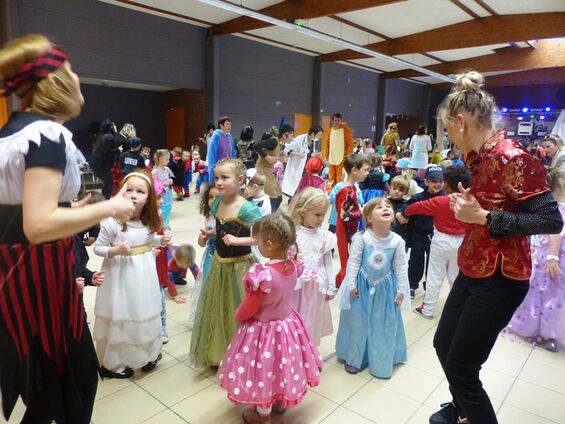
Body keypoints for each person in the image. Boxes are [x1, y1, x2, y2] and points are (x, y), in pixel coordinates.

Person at [0, 34, 135, 423]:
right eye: (71, 70)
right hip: (39, 283)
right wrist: (109, 205)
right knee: (71, 386)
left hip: (28, 280)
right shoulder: (48, 135)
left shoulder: (14, 132)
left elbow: (24, 209)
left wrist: (83, 208)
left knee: (52, 388)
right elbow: (38, 224)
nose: (78, 79)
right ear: (56, 82)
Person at [430, 70, 563, 424]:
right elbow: (490, 208)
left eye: (448, 131)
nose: (450, 140)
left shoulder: (512, 157)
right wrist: (471, 213)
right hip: (473, 267)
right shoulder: (479, 158)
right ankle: (461, 409)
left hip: (501, 279)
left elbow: (551, 220)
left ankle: (469, 411)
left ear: (461, 121)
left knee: (462, 367)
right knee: (443, 345)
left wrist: (487, 218)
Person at [217, 214, 322, 424]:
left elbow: (250, 307)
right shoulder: (293, 265)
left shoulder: (262, 274)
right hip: (287, 326)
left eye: (258, 242)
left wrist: (239, 315)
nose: (257, 246)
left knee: (263, 369)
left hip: (262, 331)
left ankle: (262, 415)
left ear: (269, 244)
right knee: (281, 365)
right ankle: (281, 400)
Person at [93, 170, 171, 378]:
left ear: (149, 199)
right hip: (119, 275)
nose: (134, 195)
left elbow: (147, 240)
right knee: (123, 313)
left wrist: (160, 241)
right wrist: (115, 250)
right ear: (120, 193)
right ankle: (113, 363)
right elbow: (98, 248)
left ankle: (149, 353)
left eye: (140, 191)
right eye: (129, 190)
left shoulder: (150, 220)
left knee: (143, 310)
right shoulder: (112, 222)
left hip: (144, 274)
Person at [190, 158, 262, 367]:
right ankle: (221, 351)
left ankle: (243, 353)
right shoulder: (216, 202)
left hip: (240, 266)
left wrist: (239, 240)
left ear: (240, 180)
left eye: (225, 178)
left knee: (239, 309)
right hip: (220, 264)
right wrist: (209, 235)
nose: (219, 182)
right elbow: (220, 229)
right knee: (219, 309)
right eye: (217, 177)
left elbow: (262, 237)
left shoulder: (246, 209)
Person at [335, 198, 410, 378]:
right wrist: (351, 283)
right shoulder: (362, 237)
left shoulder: (397, 241)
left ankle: (381, 361)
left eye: (388, 207)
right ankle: (354, 357)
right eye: (379, 207)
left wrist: (401, 290)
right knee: (358, 322)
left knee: (382, 324)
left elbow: (401, 267)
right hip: (361, 288)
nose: (385, 209)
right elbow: (353, 261)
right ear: (368, 218)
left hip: (385, 291)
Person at [506, 168, 565, 352]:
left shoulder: (548, 208)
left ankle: (540, 330)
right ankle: (543, 332)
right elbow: (553, 234)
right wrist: (552, 257)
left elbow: (552, 234)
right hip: (549, 257)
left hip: (545, 257)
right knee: (547, 296)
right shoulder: (556, 208)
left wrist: (551, 257)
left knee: (541, 295)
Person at [400, 166, 471, 319]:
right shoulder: (471, 202)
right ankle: (456, 312)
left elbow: (413, 208)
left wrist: (404, 213)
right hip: (462, 242)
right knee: (455, 277)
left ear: (446, 184)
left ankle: (428, 309)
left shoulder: (439, 201)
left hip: (441, 241)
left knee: (434, 276)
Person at [290, 188, 337, 345]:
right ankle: (294, 350)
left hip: (317, 287)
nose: (321, 219)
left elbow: (328, 262)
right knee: (295, 320)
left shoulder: (325, 237)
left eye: (323, 214)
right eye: (317, 215)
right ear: (303, 212)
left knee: (312, 320)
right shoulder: (293, 235)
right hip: (296, 288)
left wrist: (331, 286)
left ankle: (309, 351)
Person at [404, 165, 445, 299]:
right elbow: (406, 211)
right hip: (419, 235)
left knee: (434, 265)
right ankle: (411, 285)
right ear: (426, 181)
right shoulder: (417, 198)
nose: (437, 184)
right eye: (433, 181)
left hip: (438, 236)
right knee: (416, 261)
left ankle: (430, 288)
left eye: (440, 181)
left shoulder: (447, 198)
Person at [335, 154, 371, 286]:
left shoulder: (351, 188)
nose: (367, 173)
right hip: (345, 230)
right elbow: (344, 215)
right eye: (365, 170)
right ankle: (343, 283)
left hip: (349, 229)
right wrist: (361, 212)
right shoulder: (347, 190)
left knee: (350, 259)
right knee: (348, 261)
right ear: (354, 170)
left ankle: (340, 282)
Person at [189, 184, 219, 328]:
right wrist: (202, 241)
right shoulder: (209, 217)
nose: (213, 200)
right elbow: (203, 242)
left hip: (224, 257)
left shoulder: (230, 216)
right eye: (210, 197)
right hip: (210, 256)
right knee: (207, 287)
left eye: (217, 197)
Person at [254, 125, 294, 212]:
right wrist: (266, 157)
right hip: (263, 172)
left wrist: (280, 157)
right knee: (273, 198)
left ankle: (271, 215)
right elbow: (256, 146)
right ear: (285, 135)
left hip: (269, 172)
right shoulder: (274, 141)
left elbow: (273, 153)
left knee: (279, 197)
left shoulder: (278, 143)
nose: (292, 138)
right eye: (291, 136)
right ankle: (268, 218)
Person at [281, 125, 324, 199]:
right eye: (319, 135)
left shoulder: (312, 141)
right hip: (297, 168)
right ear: (313, 134)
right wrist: (297, 154)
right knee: (296, 190)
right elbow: (286, 150)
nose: (320, 137)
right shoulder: (299, 139)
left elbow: (308, 154)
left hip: (306, 169)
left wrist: (315, 155)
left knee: (302, 190)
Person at [90, 119, 120, 199]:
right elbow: (107, 151)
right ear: (111, 127)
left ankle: (102, 200)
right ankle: (104, 201)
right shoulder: (110, 137)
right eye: (114, 125)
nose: (115, 126)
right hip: (102, 165)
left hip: (96, 164)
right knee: (109, 184)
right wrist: (118, 150)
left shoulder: (102, 136)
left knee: (107, 184)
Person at [322, 113, 354, 186]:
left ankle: (340, 193)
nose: (337, 122)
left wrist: (348, 156)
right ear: (332, 121)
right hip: (332, 158)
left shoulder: (346, 130)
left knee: (340, 178)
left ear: (341, 120)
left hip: (342, 159)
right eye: (335, 120)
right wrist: (326, 155)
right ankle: (332, 193)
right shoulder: (330, 130)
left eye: (339, 120)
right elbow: (327, 143)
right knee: (331, 179)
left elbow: (350, 143)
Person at [207, 116, 236, 184]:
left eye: (230, 124)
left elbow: (233, 152)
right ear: (221, 125)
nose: (229, 126)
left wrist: (234, 164)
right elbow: (211, 153)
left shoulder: (230, 136)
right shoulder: (216, 136)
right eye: (227, 124)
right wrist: (213, 167)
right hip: (217, 168)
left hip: (228, 167)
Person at [152, 149, 174, 228]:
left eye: (169, 159)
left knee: (168, 207)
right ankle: (163, 224)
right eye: (167, 159)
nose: (168, 161)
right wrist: (164, 183)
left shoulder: (167, 169)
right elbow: (154, 183)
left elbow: (169, 178)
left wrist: (170, 180)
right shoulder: (155, 171)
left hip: (168, 191)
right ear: (160, 159)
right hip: (161, 193)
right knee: (163, 208)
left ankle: (167, 223)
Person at [387, 175, 410, 241]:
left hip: (401, 236)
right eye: (394, 188)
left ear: (406, 192)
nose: (397, 191)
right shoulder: (385, 202)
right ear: (390, 188)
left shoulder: (407, 204)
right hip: (386, 235)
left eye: (400, 190)